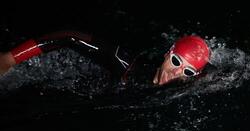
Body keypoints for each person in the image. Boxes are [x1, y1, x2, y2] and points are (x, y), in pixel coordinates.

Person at [0, 30, 211, 86]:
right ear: (167, 54)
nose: (175, 73)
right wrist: (10, 59)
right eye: (176, 61)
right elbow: (68, 36)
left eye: (187, 71)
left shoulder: (184, 88)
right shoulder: (125, 64)